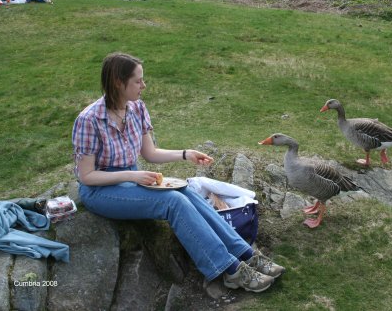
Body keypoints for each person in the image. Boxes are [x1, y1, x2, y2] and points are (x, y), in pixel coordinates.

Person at [72, 52, 285, 293]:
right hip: (100, 191)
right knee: (172, 201)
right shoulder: (89, 120)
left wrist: (185, 154)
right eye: (138, 81)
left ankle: (246, 253)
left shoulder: (137, 108)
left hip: (129, 181)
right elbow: (86, 176)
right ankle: (230, 271)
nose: (144, 85)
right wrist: (132, 175)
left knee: (185, 189)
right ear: (119, 83)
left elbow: (150, 153)